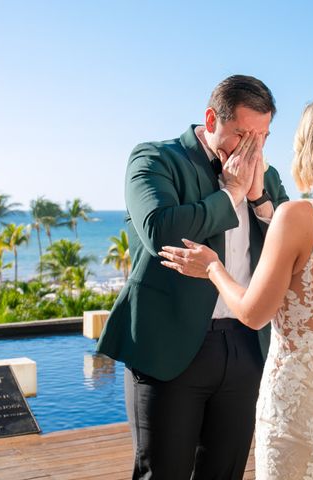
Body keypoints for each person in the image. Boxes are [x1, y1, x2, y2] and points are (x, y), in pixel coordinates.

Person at [159, 88, 313, 479]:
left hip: (299, 403)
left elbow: (254, 315)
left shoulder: (298, 216)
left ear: (311, 145)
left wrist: (213, 268)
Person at [96, 75, 289, 479]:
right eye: (242, 134)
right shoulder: (155, 158)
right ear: (211, 118)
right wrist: (231, 194)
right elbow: (160, 231)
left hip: (245, 347)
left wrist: (257, 199)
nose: (253, 147)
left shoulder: (267, 179)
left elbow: (292, 250)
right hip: (169, 349)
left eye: (262, 136)